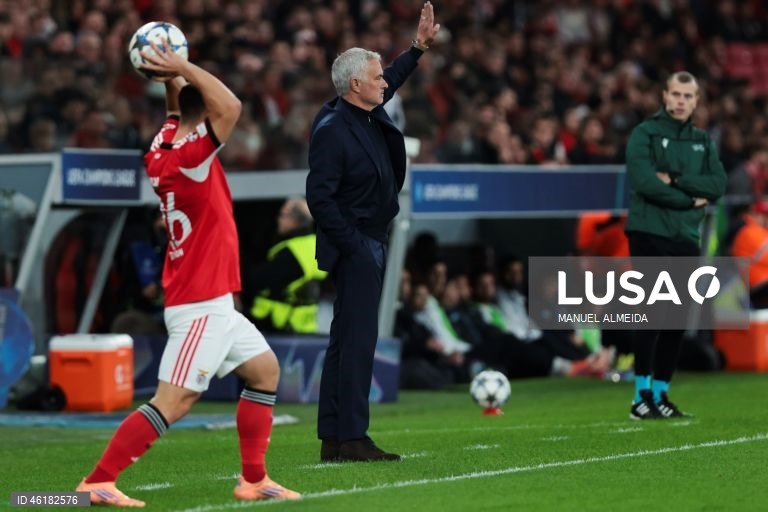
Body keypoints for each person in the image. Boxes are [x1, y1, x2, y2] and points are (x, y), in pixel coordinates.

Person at [75, 40, 299, 506]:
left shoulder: (161, 148)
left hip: (209, 298)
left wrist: (169, 78)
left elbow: (181, 109)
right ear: (207, 115)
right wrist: (181, 65)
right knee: (173, 402)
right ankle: (95, 482)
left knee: (264, 372)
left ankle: (253, 480)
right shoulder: (195, 158)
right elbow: (231, 105)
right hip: (200, 304)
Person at [306, 2, 440, 462]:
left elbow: (396, 76)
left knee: (347, 341)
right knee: (358, 342)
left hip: (368, 239)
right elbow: (319, 198)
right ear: (355, 86)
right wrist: (354, 247)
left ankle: (335, 438)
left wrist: (418, 48)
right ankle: (353, 437)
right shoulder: (332, 129)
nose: (386, 81)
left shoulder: (363, 109)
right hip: (357, 241)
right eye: (377, 76)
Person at [624, 71, 726, 420]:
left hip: (684, 236)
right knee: (652, 313)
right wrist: (688, 200)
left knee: (676, 319)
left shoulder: (702, 141)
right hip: (649, 232)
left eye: (688, 96)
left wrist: (678, 180)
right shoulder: (645, 134)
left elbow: (717, 185)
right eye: (676, 94)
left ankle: (661, 394)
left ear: (697, 102)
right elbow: (644, 183)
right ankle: (640, 398)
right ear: (664, 96)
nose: (681, 101)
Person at [248, 197, 327, 334]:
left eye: (282, 215)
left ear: (294, 221)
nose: (279, 219)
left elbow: (258, 280)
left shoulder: (292, 251)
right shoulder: (317, 244)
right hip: (306, 325)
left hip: (277, 325)